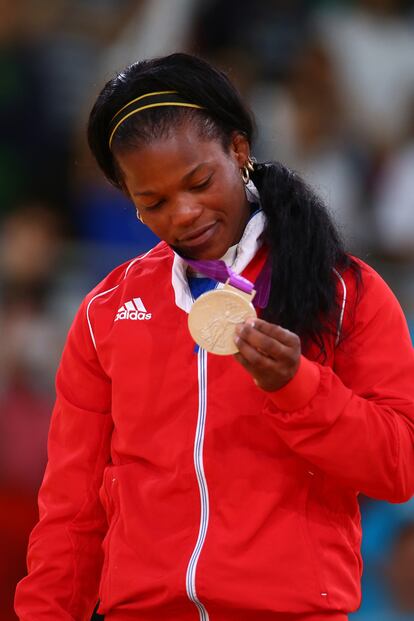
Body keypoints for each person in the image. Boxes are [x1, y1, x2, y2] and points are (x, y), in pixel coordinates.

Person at [14, 53, 414, 621]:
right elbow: (70, 511)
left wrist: (299, 388)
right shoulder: (108, 313)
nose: (183, 215)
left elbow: (398, 467)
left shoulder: (345, 291)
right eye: (152, 202)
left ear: (239, 150)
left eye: (199, 182)